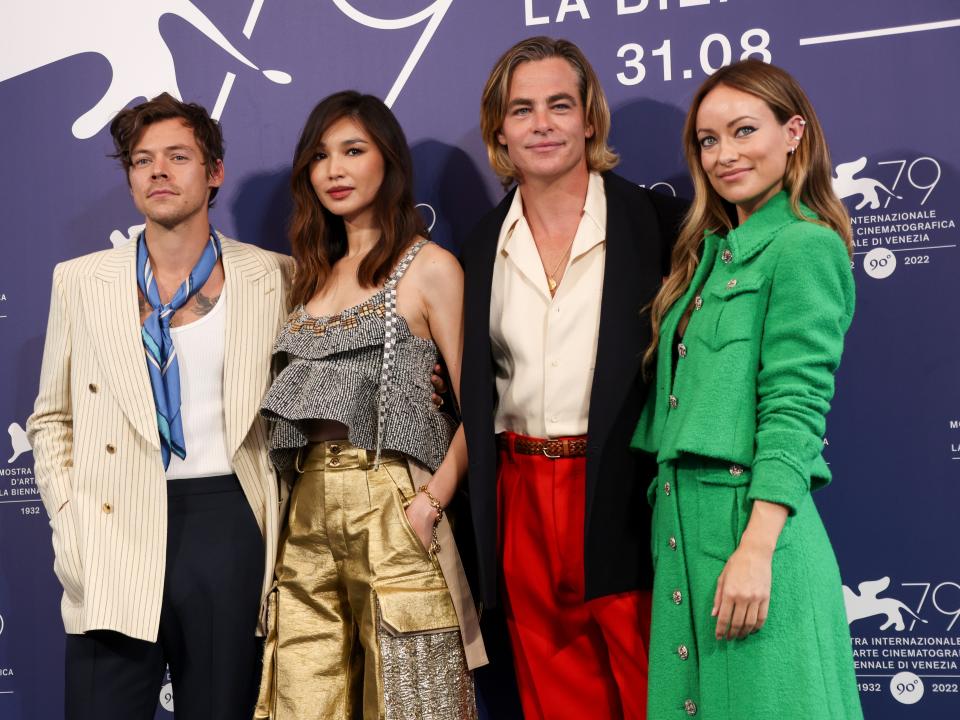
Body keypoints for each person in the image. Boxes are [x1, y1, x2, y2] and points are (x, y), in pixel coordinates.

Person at [27, 93, 293, 719]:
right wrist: (70, 516)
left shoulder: (273, 277)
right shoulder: (80, 280)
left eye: (178, 156)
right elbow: (52, 416)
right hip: (113, 519)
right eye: (142, 160)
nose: (158, 172)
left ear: (215, 171)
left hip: (228, 523)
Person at [460, 37, 687, 719]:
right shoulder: (478, 247)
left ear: (590, 118)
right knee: (556, 701)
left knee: (656, 694)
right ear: (499, 129)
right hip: (520, 494)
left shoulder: (662, 226)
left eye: (560, 105)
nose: (542, 124)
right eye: (522, 109)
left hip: (626, 492)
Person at [631, 59, 864, 718]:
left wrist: (756, 551)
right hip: (684, 539)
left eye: (743, 131)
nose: (724, 154)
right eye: (708, 140)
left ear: (794, 133)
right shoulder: (709, 255)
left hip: (750, 537)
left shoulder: (804, 248)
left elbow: (795, 409)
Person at [254, 90, 486, 720]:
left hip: (393, 498)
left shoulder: (428, 267)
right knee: (301, 695)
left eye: (353, 150)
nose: (335, 169)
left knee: (416, 701)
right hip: (304, 507)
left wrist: (431, 501)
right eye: (321, 155)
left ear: (387, 161)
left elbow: (480, 409)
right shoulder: (307, 274)